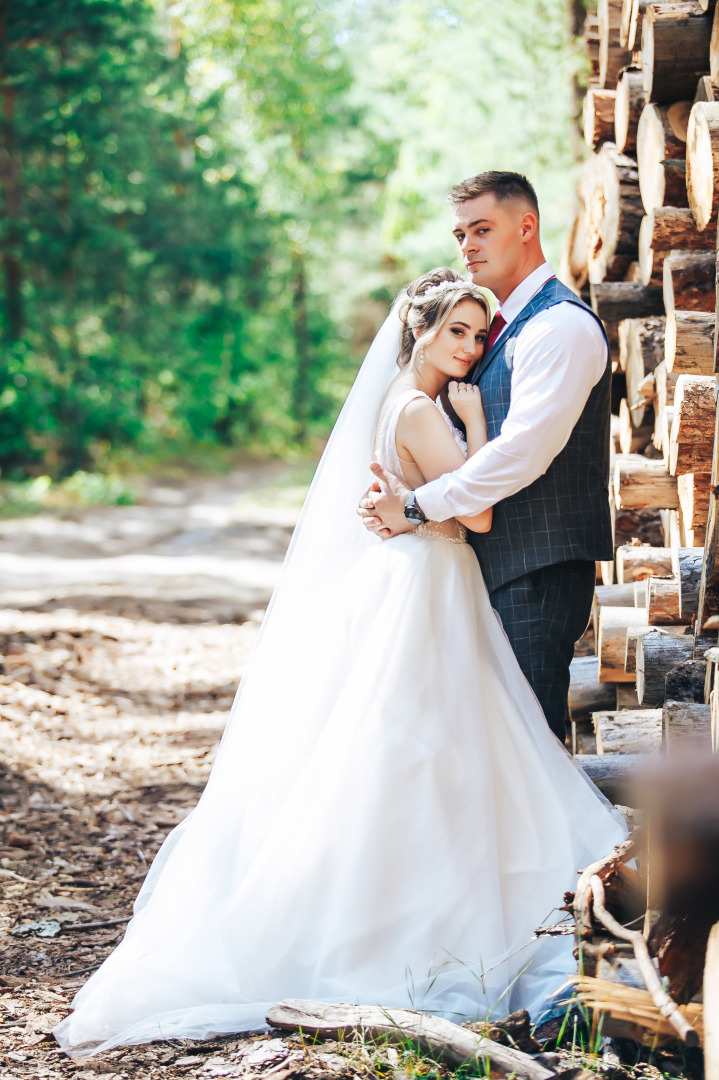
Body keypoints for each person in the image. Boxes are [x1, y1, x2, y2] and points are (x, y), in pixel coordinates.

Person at [54, 269, 625, 1058]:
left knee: (425, 750)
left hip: (419, 576)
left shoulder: (397, 398)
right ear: (417, 330)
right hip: (431, 580)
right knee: (433, 752)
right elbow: (481, 509)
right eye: (454, 331)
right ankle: (420, 924)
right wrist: (476, 425)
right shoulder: (425, 409)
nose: (468, 346)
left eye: (476, 333)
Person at [359, 172, 613, 743]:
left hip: (536, 571)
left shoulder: (559, 327)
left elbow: (522, 453)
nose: (467, 246)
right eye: (459, 235)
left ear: (526, 227)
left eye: (482, 229)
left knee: (529, 745)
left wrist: (418, 505)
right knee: (492, 750)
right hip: (483, 572)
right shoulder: (496, 329)